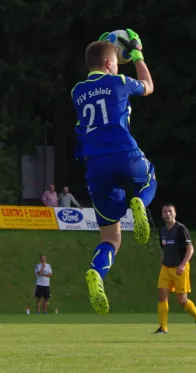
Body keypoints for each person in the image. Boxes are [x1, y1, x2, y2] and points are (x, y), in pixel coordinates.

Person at [71, 29, 156, 315]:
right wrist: (137, 54)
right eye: (116, 61)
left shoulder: (77, 92)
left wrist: (108, 45)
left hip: (95, 165)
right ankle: (140, 203)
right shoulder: (119, 81)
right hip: (124, 154)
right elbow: (147, 85)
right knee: (149, 178)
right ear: (110, 63)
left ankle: (97, 273)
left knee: (110, 238)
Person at [153, 203, 196, 334]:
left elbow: (190, 248)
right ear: (162, 214)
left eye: (170, 211)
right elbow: (164, 249)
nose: (167, 214)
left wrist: (182, 265)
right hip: (166, 268)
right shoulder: (163, 230)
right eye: (165, 212)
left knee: (182, 300)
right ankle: (163, 328)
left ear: (175, 214)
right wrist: (162, 263)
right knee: (162, 295)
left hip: (179, 268)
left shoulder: (181, 229)